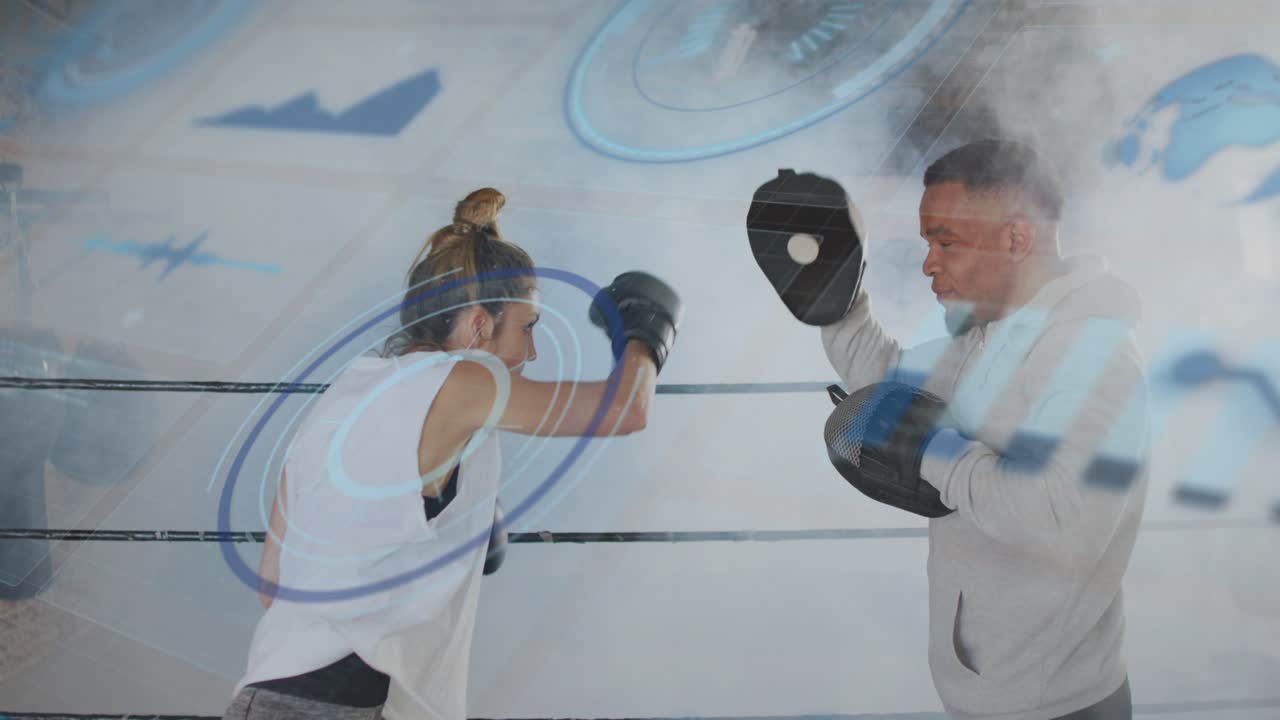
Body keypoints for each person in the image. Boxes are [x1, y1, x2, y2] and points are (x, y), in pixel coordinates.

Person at [223, 188, 683, 720]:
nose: (531, 352)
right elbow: (624, 410)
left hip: (271, 696)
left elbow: (274, 584)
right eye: (526, 327)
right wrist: (648, 333)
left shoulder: (345, 394)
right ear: (478, 324)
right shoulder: (461, 378)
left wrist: (449, 527)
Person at [818, 140, 1149, 719]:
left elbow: (1060, 519)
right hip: (988, 700)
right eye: (927, 243)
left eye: (946, 241)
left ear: (1016, 238)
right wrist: (833, 300)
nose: (928, 263)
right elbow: (893, 390)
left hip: (1058, 711)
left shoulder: (1094, 358)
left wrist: (928, 450)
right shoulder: (989, 336)